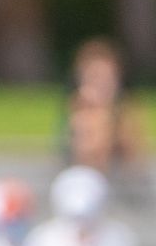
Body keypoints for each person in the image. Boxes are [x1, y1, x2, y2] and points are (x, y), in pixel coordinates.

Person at [61, 38, 146, 188]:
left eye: (107, 79)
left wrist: (111, 119)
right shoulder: (79, 113)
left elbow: (134, 161)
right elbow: (83, 155)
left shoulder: (124, 113)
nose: (101, 86)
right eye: (94, 77)